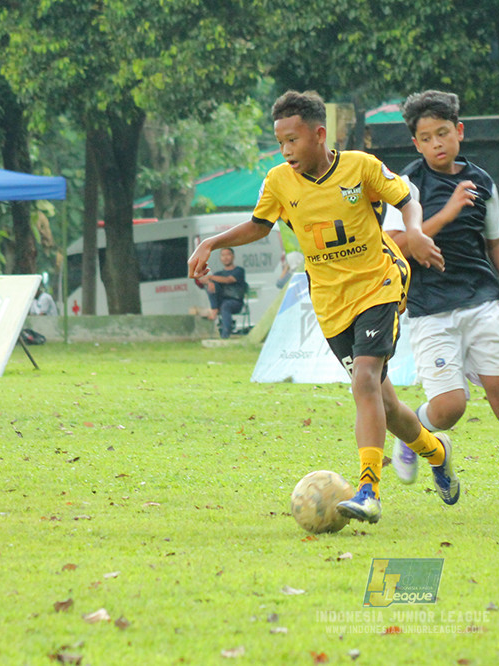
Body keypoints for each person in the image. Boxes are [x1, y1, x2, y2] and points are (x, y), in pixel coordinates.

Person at [188, 90, 458, 525]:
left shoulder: (360, 168)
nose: (286, 150)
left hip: (379, 286)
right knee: (384, 406)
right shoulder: (279, 181)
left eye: (292, 140)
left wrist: (415, 231)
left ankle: (368, 489)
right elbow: (259, 225)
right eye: (280, 142)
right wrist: (212, 240)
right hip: (330, 303)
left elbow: (405, 197)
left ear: (318, 134)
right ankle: (436, 450)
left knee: (365, 382)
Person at [383, 90, 499, 513]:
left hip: (482, 302)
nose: (436, 143)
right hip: (431, 308)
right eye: (426, 137)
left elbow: (496, 241)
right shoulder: (406, 187)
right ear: (415, 143)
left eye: (443, 133)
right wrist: (446, 213)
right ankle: (413, 435)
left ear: (459, 132)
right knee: (451, 408)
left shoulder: (482, 182)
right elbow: (397, 246)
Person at [197, 247, 247, 338]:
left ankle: (225, 336)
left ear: (233, 256)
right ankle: (214, 308)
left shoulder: (239, 271)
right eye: (223, 255)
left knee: (225, 306)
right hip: (220, 301)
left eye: (228, 254)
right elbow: (202, 281)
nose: (225, 257)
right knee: (211, 285)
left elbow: (229, 280)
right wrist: (209, 282)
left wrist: (210, 278)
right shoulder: (218, 273)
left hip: (235, 301)